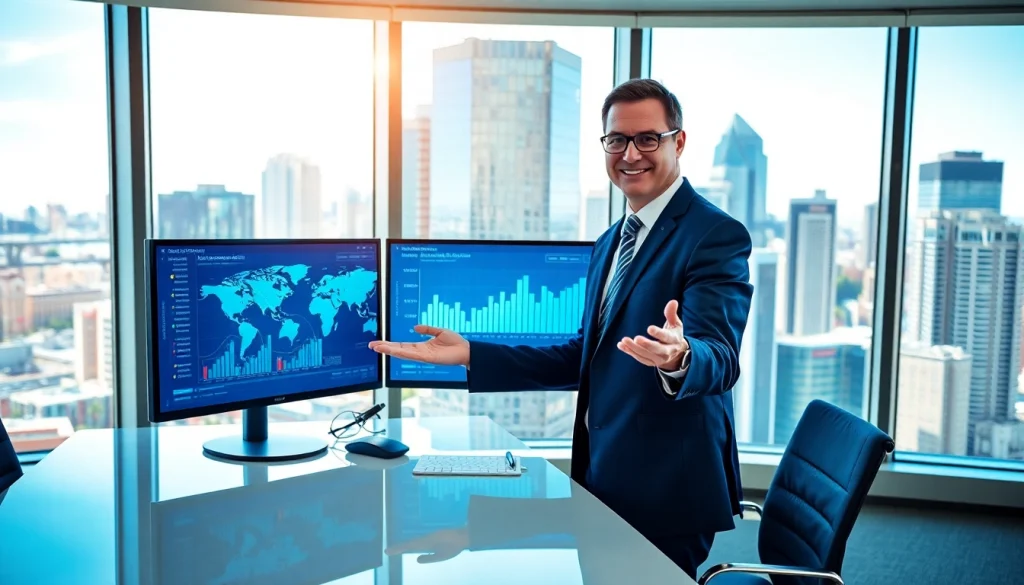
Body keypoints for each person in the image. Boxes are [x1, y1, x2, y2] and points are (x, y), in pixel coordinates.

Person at [370, 78, 753, 579]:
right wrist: (471, 354)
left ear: (678, 142)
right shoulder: (612, 239)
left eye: (647, 138)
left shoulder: (715, 234)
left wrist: (681, 356)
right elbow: (584, 356)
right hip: (606, 477)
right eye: (617, 140)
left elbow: (720, 357)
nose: (630, 153)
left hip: (666, 493)